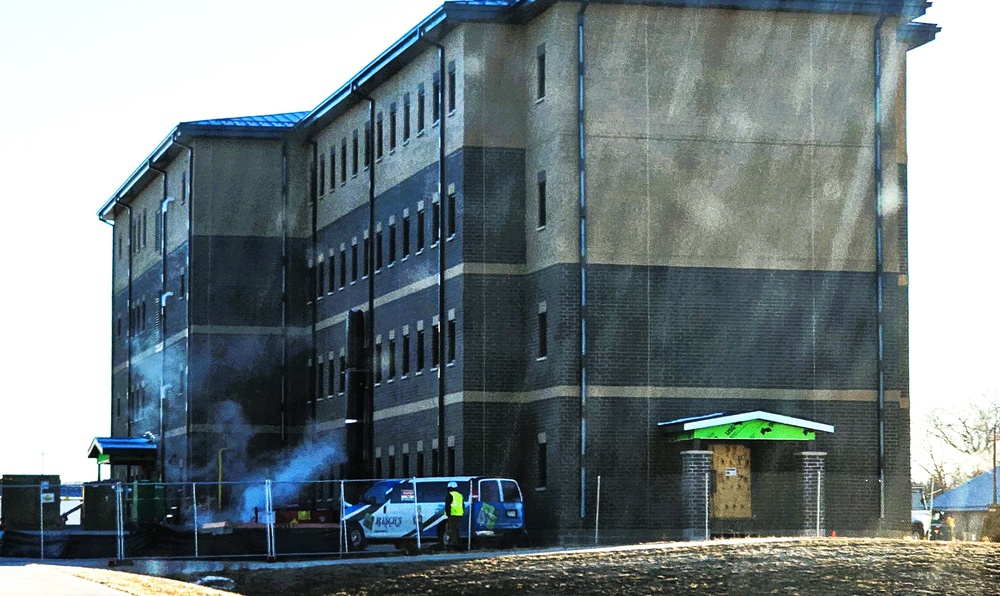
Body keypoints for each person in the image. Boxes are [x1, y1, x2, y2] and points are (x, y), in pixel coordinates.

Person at [444, 481, 464, 551]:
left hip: (452, 515)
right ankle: (457, 542)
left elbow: (447, 505)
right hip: (459, 515)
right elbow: (462, 505)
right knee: (456, 529)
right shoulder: (460, 495)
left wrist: (447, 514)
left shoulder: (450, 494)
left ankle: (453, 543)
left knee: (452, 530)